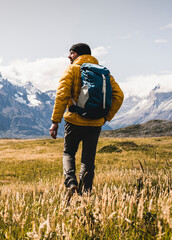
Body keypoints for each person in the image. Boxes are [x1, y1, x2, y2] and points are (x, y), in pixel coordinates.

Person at [49, 43, 124, 200]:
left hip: (74, 121)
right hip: (95, 123)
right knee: (88, 160)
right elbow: (119, 96)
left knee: (69, 152)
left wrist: (55, 121)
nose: (69, 56)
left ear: (77, 54)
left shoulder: (72, 70)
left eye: (71, 53)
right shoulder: (104, 73)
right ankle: (86, 194)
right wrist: (105, 118)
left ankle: (71, 184)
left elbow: (62, 95)